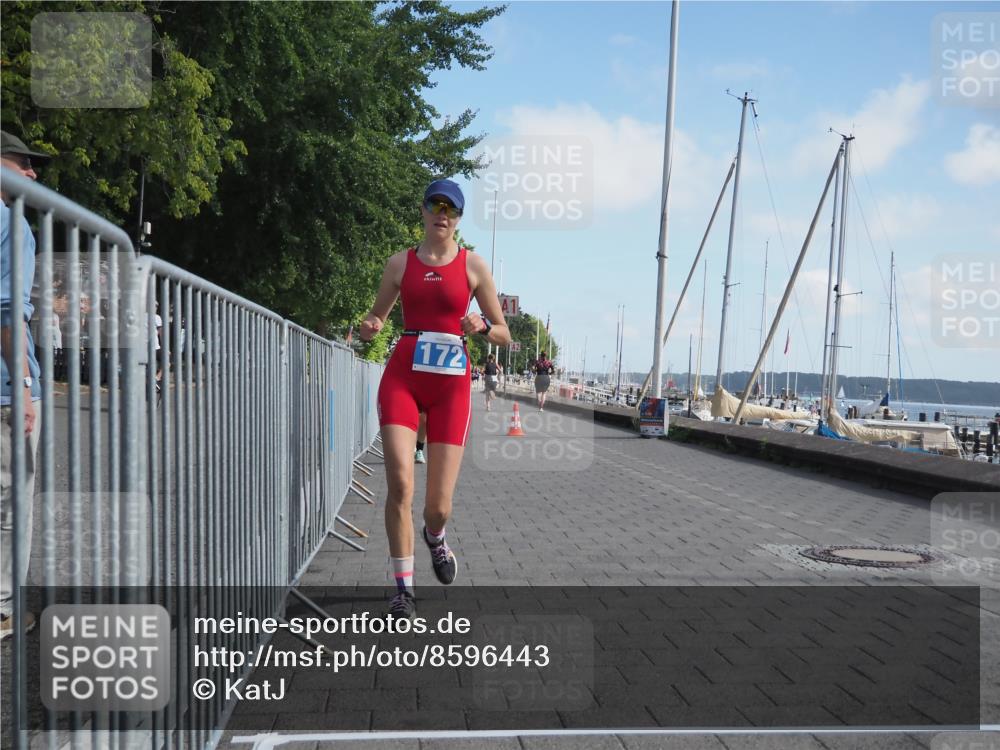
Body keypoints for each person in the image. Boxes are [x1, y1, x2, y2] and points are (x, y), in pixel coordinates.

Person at [361, 179, 510, 619]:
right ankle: (402, 589)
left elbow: (504, 333)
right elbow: (377, 314)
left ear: (459, 218)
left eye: (452, 209)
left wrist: (481, 326)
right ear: (423, 211)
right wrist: (370, 324)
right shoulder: (398, 264)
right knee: (401, 485)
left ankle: (435, 536)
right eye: (435, 205)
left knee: (438, 505)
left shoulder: (473, 267)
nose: (442, 213)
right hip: (403, 379)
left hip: (450, 387)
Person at [1, 131, 49, 639]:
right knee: (12, 501)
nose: (33, 175)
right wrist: (26, 386)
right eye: (21, 164)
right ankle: (3, 608)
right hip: (3, 388)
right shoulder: (13, 225)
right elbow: (10, 313)